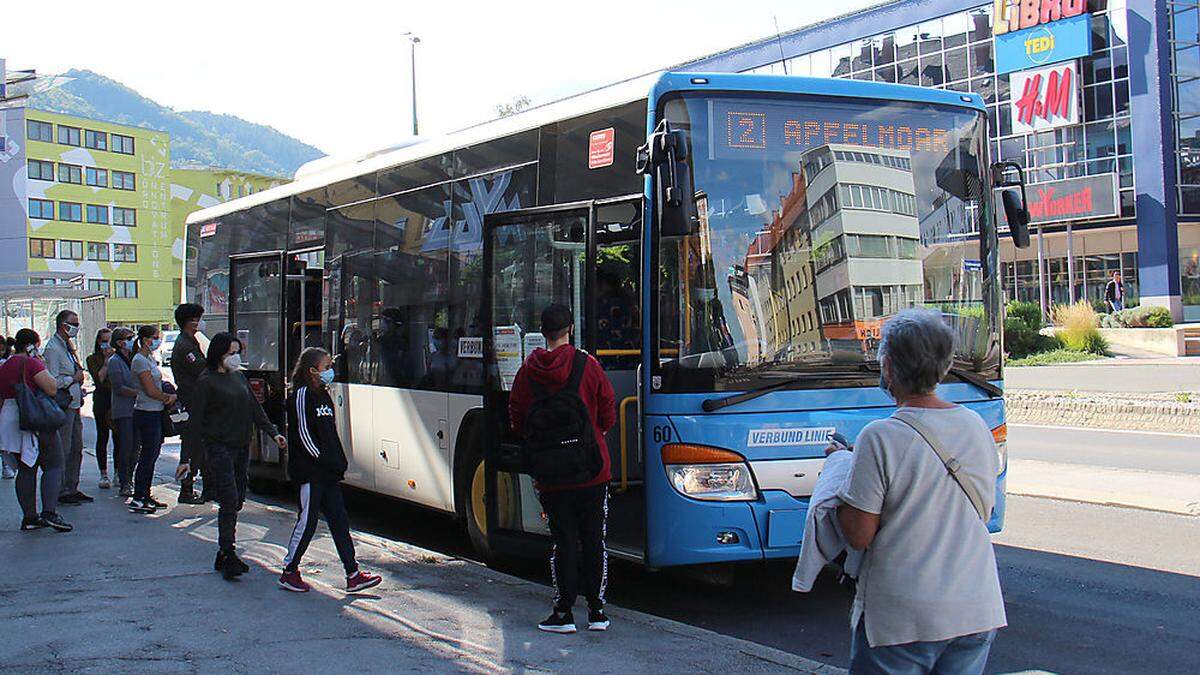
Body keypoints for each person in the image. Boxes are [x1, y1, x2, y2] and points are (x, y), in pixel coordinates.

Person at [837, 309, 1006, 674]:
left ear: (889, 368)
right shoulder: (976, 425)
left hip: (905, 620)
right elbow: (983, 509)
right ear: (943, 366)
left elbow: (858, 534)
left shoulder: (879, 437)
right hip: (976, 607)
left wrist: (839, 475)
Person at [508, 304, 616, 634]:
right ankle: (597, 612)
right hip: (592, 470)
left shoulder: (529, 371)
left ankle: (563, 612)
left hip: (552, 476)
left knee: (564, 541)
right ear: (570, 328)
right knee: (594, 539)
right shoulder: (589, 365)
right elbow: (609, 413)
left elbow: (517, 418)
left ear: (543, 332)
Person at [178, 332, 285, 580]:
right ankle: (227, 551)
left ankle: (224, 551)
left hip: (240, 445)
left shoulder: (238, 378)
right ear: (219, 354)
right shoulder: (206, 382)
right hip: (218, 447)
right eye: (231, 353)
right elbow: (195, 423)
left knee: (237, 499)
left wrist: (273, 433)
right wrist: (187, 459)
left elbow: (254, 409)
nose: (235, 358)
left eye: (237, 352)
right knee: (228, 498)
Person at [278, 347, 382, 594]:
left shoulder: (323, 394)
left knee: (339, 520)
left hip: (328, 472)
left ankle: (353, 573)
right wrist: (324, 459)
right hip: (311, 472)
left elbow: (329, 433)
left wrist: (338, 460)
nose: (330, 372)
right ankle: (289, 570)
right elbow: (304, 435)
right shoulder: (302, 395)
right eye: (326, 367)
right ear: (312, 370)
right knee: (307, 521)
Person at [0, 329, 72, 531]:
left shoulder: (5, 365)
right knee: (53, 464)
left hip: (11, 417)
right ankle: (49, 512)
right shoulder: (31, 363)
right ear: (33, 345)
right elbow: (51, 388)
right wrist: (41, 363)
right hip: (36, 419)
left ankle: (29, 516)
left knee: (26, 468)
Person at [42, 310, 89, 505]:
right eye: (73, 323)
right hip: (63, 405)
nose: (76, 327)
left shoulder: (68, 346)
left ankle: (72, 485)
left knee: (76, 447)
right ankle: (61, 489)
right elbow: (51, 380)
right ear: (63, 324)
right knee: (65, 448)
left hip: (74, 403)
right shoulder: (53, 348)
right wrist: (72, 379)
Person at [128, 325, 177, 514]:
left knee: (152, 454)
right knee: (147, 456)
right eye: (155, 337)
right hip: (147, 411)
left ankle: (145, 494)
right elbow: (149, 389)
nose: (158, 341)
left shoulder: (148, 359)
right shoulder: (140, 360)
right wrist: (168, 398)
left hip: (154, 411)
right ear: (147, 339)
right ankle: (139, 497)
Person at [170, 303, 208, 505]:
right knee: (191, 446)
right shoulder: (185, 346)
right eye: (197, 318)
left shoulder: (190, 341)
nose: (199, 322)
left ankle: (193, 486)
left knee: (196, 446)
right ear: (190, 321)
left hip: (193, 400)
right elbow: (201, 369)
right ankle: (186, 488)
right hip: (191, 401)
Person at [107, 328, 140, 497]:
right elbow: (119, 388)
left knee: (136, 447)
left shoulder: (133, 358)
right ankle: (124, 480)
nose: (132, 340)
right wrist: (140, 392)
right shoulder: (115, 361)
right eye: (129, 338)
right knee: (126, 446)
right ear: (120, 342)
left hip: (137, 409)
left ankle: (130, 478)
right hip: (124, 410)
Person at [85, 328, 115, 490]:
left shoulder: (119, 358)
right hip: (102, 398)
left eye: (110, 341)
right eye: (104, 341)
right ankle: (103, 473)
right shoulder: (92, 359)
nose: (107, 345)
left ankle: (119, 471)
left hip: (116, 399)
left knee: (119, 436)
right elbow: (99, 379)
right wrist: (106, 361)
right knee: (103, 435)